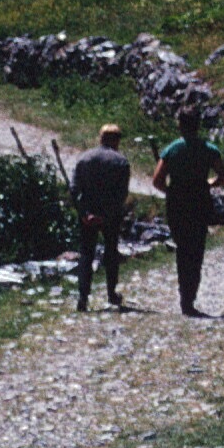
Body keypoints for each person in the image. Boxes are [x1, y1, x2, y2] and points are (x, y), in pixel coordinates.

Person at [150, 107, 224, 318]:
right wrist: (209, 183)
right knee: (196, 250)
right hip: (200, 202)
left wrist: (172, 191)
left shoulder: (171, 150)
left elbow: (157, 180)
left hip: (177, 204)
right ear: (198, 124)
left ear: (180, 124)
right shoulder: (210, 149)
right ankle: (190, 297)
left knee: (182, 248)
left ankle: (183, 296)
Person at [69, 122, 133, 310]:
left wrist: (84, 213)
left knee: (86, 254)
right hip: (110, 216)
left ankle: (83, 297)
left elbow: (74, 189)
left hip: (87, 215)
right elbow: (122, 193)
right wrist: (107, 214)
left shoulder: (84, 159)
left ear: (101, 138)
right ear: (116, 140)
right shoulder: (121, 162)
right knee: (111, 252)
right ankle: (111, 294)